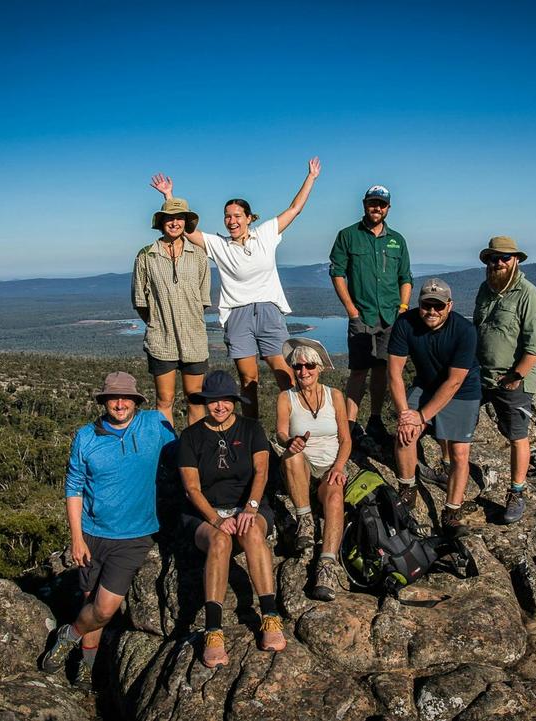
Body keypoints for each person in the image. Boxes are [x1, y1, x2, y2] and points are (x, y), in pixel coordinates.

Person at [150, 158, 321, 418]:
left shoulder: (266, 234)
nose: (231, 221)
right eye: (227, 216)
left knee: (284, 373)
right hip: (237, 315)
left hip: (268, 311)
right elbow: (184, 230)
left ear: (249, 218)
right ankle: (253, 435)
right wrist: (169, 195)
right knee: (248, 379)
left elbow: (295, 208)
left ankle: (295, 426)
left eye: (237, 216)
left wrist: (311, 177)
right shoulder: (218, 245)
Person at [40, 372, 177, 690]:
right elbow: (73, 487)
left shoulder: (154, 426)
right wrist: (76, 538)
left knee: (103, 608)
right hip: (91, 534)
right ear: (103, 402)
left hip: (134, 536)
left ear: (135, 401)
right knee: (92, 605)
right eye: (113, 398)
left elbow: (186, 456)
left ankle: (69, 635)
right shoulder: (86, 436)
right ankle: (86, 668)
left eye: (125, 397)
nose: (119, 403)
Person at [177, 370, 285, 668]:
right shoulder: (191, 437)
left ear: (234, 401)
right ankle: (213, 631)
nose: (220, 406)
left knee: (251, 534)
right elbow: (192, 488)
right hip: (205, 513)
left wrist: (250, 508)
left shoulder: (251, 430)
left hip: (248, 506)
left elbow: (262, 472)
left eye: (226, 400)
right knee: (221, 541)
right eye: (213, 401)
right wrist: (215, 520)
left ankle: (270, 616)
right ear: (205, 402)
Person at [386, 278, 482, 535]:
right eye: (427, 305)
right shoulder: (405, 323)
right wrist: (405, 414)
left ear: (449, 306)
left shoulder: (464, 330)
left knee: (460, 453)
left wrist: (421, 416)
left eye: (438, 306)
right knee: (404, 433)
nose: (432, 311)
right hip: (426, 383)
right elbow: (394, 372)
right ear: (418, 304)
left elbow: (454, 382)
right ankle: (408, 488)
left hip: (463, 390)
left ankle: (451, 512)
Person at [328, 184, 412, 448]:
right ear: (364, 204)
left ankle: (375, 420)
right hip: (361, 315)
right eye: (372, 203)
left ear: (388, 208)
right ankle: (350, 426)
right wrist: (351, 310)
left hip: (390, 315)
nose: (377, 208)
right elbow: (337, 273)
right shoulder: (348, 236)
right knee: (358, 371)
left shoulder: (397, 239)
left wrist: (403, 308)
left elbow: (405, 277)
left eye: (382, 204)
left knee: (382, 370)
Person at [473, 236, 536, 524]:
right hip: (481, 374)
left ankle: (516, 492)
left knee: (517, 436)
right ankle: (448, 469)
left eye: (504, 258)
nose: (498, 263)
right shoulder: (485, 289)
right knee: (454, 417)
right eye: (493, 258)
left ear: (516, 260)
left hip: (512, 380)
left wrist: (516, 376)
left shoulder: (531, 296)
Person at [273, 338, 350, 601]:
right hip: (302, 465)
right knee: (292, 457)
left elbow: (346, 438)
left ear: (319, 368)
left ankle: (326, 565)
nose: (303, 371)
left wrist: (339, 467)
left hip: (330, 465)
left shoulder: (335, 396)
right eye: (297, 366)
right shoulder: (287, 398)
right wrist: (289, 442)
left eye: (308, 366)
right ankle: (305, 520)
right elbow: (281, 431)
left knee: (336, 495)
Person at [132, 197, 211, 425]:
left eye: (179, 218)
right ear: (162, 222)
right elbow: (140, 300)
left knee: (195, 400)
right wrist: (157, 322)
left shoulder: (198, 255)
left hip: (194, 338)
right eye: (170, 218)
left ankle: (195, 452)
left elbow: (203, 299)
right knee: (164, 400)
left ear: (186, 222)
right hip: (161, 340)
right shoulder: (147, 255)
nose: (175, 223)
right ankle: (167, 452)